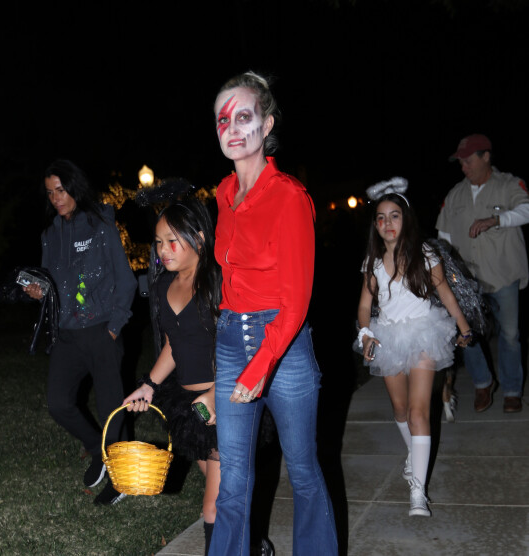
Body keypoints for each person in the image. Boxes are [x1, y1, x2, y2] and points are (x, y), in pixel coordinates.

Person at [209, 71, 338, 556]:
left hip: (282, 347)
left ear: (266, 124)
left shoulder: (289, 196)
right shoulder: (223, 193)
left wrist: (262, 363)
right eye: (223, 120)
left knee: (302, 470)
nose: (232, 128)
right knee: (234, 480)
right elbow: (229, 276)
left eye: (244, 116)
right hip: (231, 338)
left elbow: (296, 298)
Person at [357, 177, 472, 517]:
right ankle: (414, 459)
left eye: (394, 216)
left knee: (421, 412)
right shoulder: (373, 262)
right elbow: (365, 305)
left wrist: (464, 328)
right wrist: (365, 333)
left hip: (424, 334)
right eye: (380, 218)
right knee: (401, 410)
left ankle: (418, 491)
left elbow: (445, 294)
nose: (387, 223)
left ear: (405, 219)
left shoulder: (425, 252)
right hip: (388, 336)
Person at [24, 159, 137, 505]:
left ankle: (120, 481)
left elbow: (126, 280)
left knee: (110, 408)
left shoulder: (100, 224)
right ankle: (96, 447)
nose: (56, 198)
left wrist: (114, 328)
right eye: (50, 193)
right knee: (58, 403)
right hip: (68, 335)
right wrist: (40, 291)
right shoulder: (50, 235)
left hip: (102, 330)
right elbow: (55, 286)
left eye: (61, 189)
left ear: (74, 187)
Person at [123, 198, 220, 556]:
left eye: (171, 241)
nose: (162, 250)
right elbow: (172, 345)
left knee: (213, 507)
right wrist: (148, 384)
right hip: (189, 407)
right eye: (158, 242)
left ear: (198, 237)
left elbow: (241, 347)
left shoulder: (218, 281)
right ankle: (250, 543)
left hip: (223, 402)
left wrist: (218, 394)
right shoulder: (164, 285)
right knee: (222, 492)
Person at [436, 134, 529, 413]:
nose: (463, 166)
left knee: (510, 335)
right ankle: (482, 384)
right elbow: (443, 236)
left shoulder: (509, 184)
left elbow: (526, 209)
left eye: (468, 160)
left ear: (486, 156)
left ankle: (512, 389)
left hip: (503, 274)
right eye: (461, 162)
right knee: (466, 333)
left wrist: (495, 220)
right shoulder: (455, 194)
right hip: (468, 281)